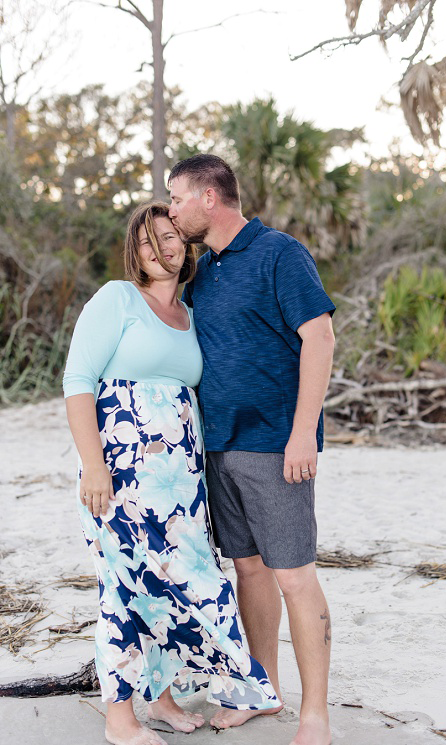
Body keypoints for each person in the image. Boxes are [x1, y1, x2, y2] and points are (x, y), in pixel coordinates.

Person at [63, 202, 280, 745]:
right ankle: (119, 718)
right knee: (124, 585)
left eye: (170, 236)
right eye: (147, 240)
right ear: (133, 251)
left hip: (181, 480)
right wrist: (94, 465)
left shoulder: (190, 314)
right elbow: (78, 381)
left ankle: (160, 699)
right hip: (122, 474)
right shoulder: (117, 299)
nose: (161, 248)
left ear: (186, 245)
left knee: (180, 582)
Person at [169, 154, 336, 745]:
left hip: (274, 445)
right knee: (249, 570)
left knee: (294, 576)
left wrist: (301, 432)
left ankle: (314, 713)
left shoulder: (279, 253)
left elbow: (319, 337)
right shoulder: (204, 270)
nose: (170, 209)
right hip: (217, 447)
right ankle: (262, 692)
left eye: (175, 198)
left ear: (208, 198)